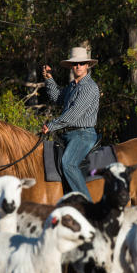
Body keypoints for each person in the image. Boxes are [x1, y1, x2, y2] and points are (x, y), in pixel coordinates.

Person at [41, 46, 100, 201]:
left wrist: (52, 125)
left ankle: (88, 205)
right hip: (68, 134)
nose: (78, 66)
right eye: (75, 64)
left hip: (83, 134)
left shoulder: (89, 87)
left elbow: (73, 114)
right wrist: (49, 78)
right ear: (71, 67)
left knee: (68, 164)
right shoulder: (73, 86)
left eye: (81, 63)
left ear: (87, 65)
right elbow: (57, 97)